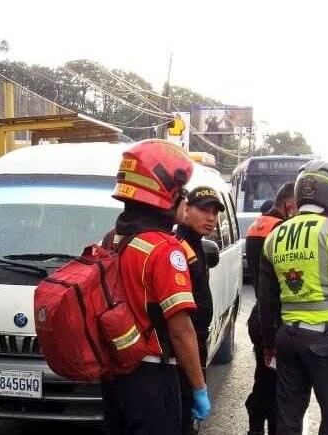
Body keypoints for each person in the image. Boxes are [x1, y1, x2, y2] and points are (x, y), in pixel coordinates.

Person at [102, 139, 211, 435]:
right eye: (182, 193)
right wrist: (198, 386)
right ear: (168, 194)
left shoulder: (112, 238)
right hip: (152, 376)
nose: (184, 200)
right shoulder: (165, 250)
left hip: (115, 373)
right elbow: (181, 330)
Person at [258, 161, 328, 435]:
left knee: (288, 418)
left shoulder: (275, 234)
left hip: (287, 340)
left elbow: (266, 301)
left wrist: (269, 344)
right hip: (326, 342)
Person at [244, 182, 296, 435]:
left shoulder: (257, 224)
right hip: (273, 318)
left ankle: (256, 424)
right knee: (275, 384)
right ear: (288, 205)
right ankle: (264, 425)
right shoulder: (281, 230)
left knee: (264, 377)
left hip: (260, 314)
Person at [174, 186, 224, 435]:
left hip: (195, 342)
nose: (211, 218)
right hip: (182, 350)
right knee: (181, 418)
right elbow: (179, 322)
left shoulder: (196, 245)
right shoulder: (178, 249)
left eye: (215, 212)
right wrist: (198, 385)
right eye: (204, 210)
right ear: (186, 209)